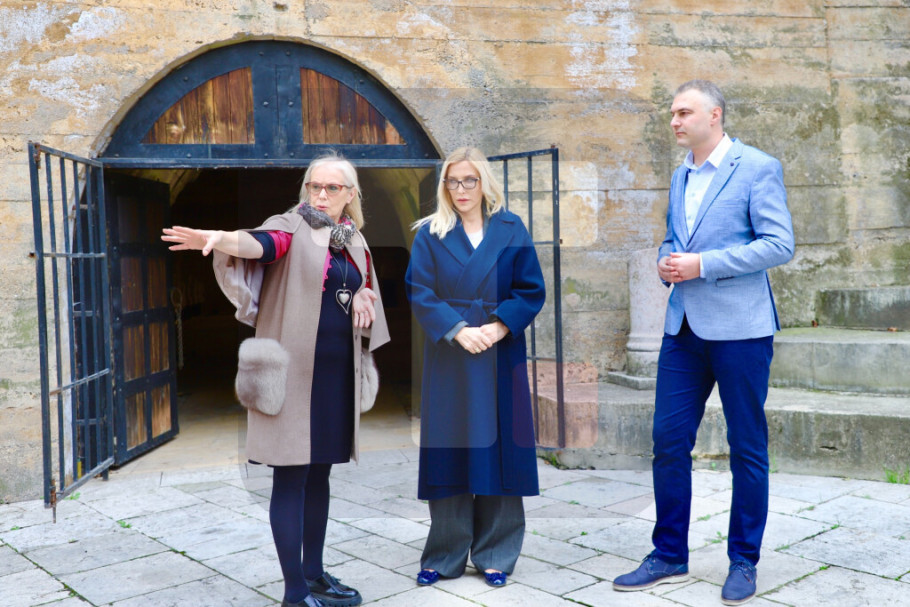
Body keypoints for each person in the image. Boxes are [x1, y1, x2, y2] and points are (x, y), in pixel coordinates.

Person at [162, 154, 389, 607]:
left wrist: (364, 294)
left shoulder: (353, 240)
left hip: (335, 375)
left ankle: (314, 574)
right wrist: (218, 238)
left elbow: (355, 286)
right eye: (314, 186)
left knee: (320, 474)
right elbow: (260, 244)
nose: (320, 195)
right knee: (291, 477)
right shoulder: (291, 227)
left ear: (350, 195)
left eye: (331, 188)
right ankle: (294, 592)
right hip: (293, 375)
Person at [612, 81, 794, 605]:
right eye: (672, 113)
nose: (674, 121)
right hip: (683, 329)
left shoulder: (757, 167)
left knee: (747, 446)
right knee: (667, 441)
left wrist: (703, 265)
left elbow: (779, 244)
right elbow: (675, 238)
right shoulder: (680, 175)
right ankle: (669, 553)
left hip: (742, 331)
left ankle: (744, 560)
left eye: (683, 112)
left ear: (714, 115)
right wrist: (666, 260)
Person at [405, 147, 546, 588]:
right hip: (450, 354)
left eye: (469, 180)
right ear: (444, 186)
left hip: (499, 352)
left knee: (500, 448)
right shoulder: (430, 233)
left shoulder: (511, 227)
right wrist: (456, 329)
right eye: (452, 181)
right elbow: (419, 290)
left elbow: (531, 289)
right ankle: (444, 554)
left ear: (484, 183)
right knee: (449, 449)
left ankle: (496, 553)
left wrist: (500, 326)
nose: (461, 189)